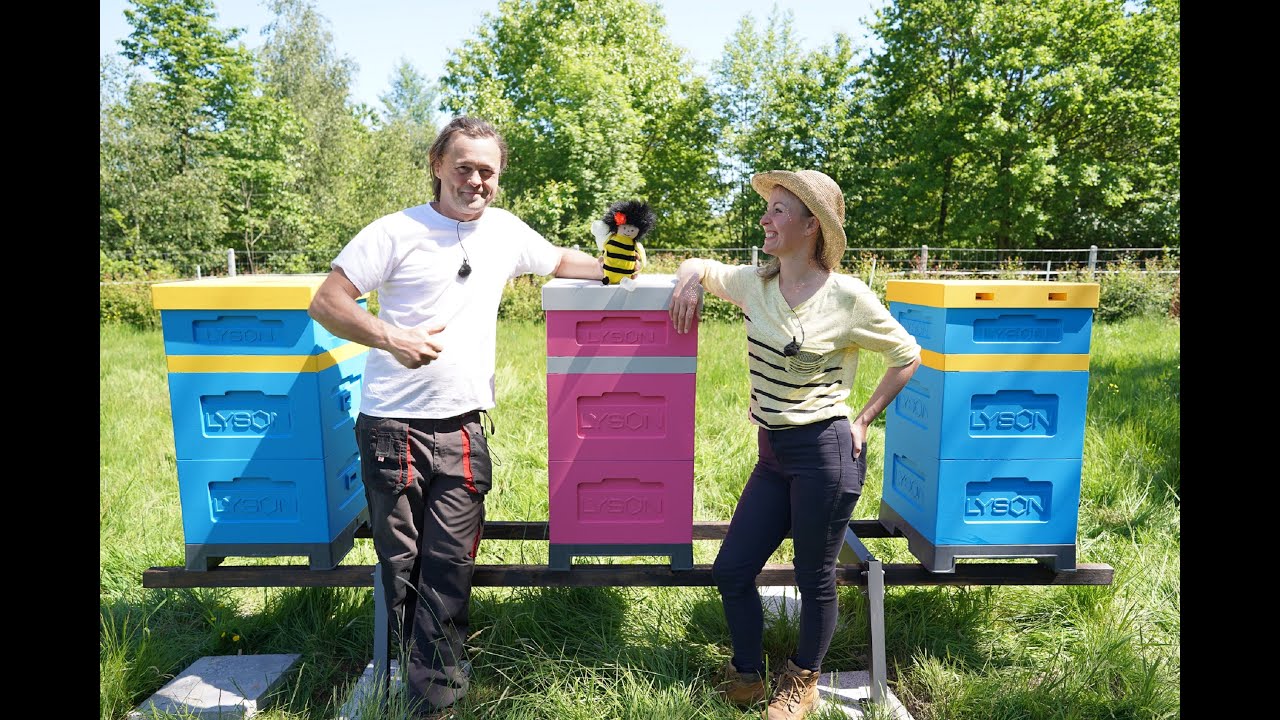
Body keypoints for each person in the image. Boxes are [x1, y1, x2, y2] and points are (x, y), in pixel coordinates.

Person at [307, 116, 605, 719]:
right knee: (400, 562)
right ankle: (389, 672)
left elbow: (560, 260)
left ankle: (433, 696)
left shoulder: (505, 233)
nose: (476, 180)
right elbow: (327, 302)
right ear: (437, 165)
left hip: (463, 427)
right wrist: (391, 336)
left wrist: (622, 264)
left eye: (487, 171)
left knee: (451, 560)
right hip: (390, 426)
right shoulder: (394, 232)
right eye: (465, 167)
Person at [668, 169, 920, 720]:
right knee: (731, 570)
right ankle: (748, 672)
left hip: (825, 453)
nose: (765, 217)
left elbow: (907, 355)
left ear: (813, 226)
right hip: (772, 454)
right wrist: (689, 280)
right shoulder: (754, 283)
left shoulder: (848, 297)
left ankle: (802, 681)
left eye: (779, 210)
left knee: (814, 576)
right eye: (769, 208)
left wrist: (865, 420)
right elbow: (697, 265)